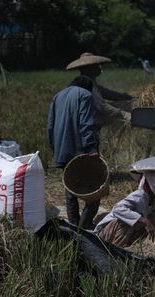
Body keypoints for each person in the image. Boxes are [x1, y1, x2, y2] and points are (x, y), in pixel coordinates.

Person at [47, 75, 101, 229]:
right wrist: (91, 147)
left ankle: (74, 225)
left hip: (62, 150)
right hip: (80, 150)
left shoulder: (57, 96)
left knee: (70, 188)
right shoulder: (85, 95)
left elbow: (50, 126)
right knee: (95, 188)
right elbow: (85, 123)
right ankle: (85, 226)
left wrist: (55, 148)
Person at [66, 52, 134, 130]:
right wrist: (125, 114)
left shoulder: (88, 82)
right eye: (96, 65)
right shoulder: (85, 84)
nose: (99, 68)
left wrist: (125, 96)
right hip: (83, 125)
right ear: (89, 68)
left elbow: (107, 93)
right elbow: (102, 106)